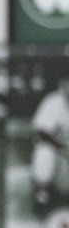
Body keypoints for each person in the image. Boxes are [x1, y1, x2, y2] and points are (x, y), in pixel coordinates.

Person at [31, 77, 69, 216]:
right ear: (63, 83)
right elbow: (41, 133)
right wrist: (63, 147)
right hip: (58, 153)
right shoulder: (52, 101)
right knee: (44, 151)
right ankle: (42, 195)